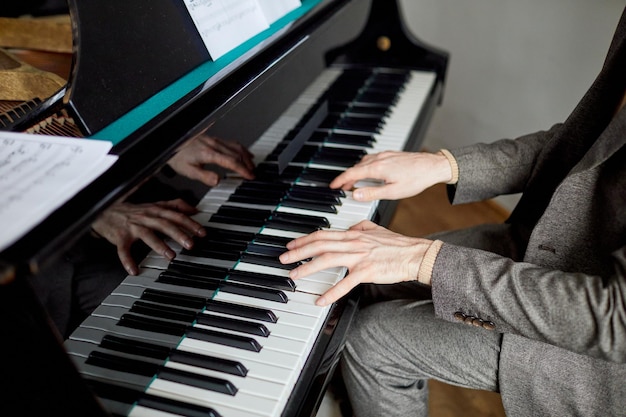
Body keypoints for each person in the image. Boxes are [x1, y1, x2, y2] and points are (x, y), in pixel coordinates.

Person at [278, 7, 626, 417]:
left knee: (370, 339)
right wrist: (442, 165)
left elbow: (613, 319)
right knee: (355, 280)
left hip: (598, 350)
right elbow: (580, 144)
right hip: (555, 246)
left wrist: (419, 258)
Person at [30, 133, 255, 338]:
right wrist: (92, 213)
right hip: (46, 267)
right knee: (169, 314)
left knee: (216, 244)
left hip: (140, 204)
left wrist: (165, 144)